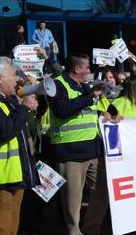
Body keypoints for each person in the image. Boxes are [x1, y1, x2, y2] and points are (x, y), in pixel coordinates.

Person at [47, 53, 108, 235]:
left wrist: (105, 114)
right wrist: (89, 97)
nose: (90, 70)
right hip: (71, 152)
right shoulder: (58, 84)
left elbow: (88, 113)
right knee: (72, 201)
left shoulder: (84, 86)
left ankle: (91, 228)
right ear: (77, 69)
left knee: (102, 191)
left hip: (92, 150)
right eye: (87, 67)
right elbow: (61, 110)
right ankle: (74, 232)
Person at [0, 57, 39, 235]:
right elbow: (3, 131)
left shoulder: (4, 99)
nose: (17, 80)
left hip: (11, 176)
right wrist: (24, 108)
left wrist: (29, 92)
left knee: (10, 229)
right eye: (14, 76)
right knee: (0, 229)